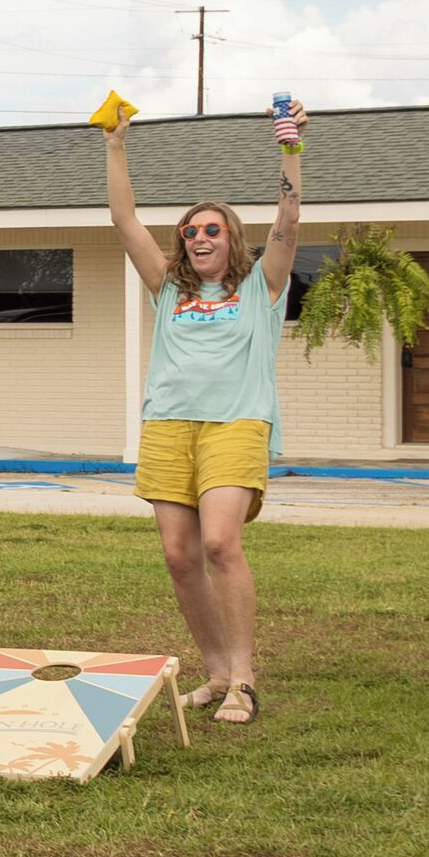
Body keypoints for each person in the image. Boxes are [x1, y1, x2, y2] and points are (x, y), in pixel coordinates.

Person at [106, 100, 305, 724]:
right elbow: (123, 219)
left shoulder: (259, 287)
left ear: (232, 240)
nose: (198, 238)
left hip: (236, 422)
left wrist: (290, 147)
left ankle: (243, 681)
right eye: (190, 231)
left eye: (210, 230)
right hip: (168, 423)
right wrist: (115, 143)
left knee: (220, 543)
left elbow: (289, 219)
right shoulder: (168, 286)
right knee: (179, 555)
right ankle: (215, 675)